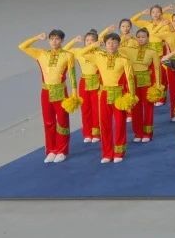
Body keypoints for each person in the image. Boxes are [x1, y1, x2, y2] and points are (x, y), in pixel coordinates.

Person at [16, 30, 77, 163]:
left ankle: (62, 150)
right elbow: (22, 46)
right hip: (46, 92)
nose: (54, 41)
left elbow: (72, 76)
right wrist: (36, 37)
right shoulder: (41, 53)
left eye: (57, 39)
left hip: (61, 92)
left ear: (62, 41)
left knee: (62, 122)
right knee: (48, 122)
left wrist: (74, 95)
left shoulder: (68, 55)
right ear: (49, 40)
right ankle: (51, 150)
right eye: (52, 39)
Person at [87, 32, 137, 164]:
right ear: (105, 44)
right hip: (104, 94)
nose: (111, 45)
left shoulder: (124, 60)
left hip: (119, 95)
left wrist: (131, 96)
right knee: (104, 124)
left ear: (118, 44)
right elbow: (82, 53)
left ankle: (119, 152)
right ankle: (107, 153)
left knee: (120, 124)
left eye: (114, 42)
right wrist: (95, 44)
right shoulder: (99, 57)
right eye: (108, 42)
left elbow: (130, 79)